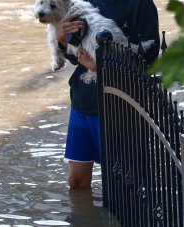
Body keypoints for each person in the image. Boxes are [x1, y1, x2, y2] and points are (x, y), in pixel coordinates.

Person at [56, 0, 160, 189]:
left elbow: (149, 58)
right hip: (83, 100)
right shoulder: (82, 2)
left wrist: (101, 67)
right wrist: (63, 40)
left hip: (120, 107)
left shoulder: (141, 5)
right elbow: (75, 56)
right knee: (76, 182)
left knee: (123, 186)